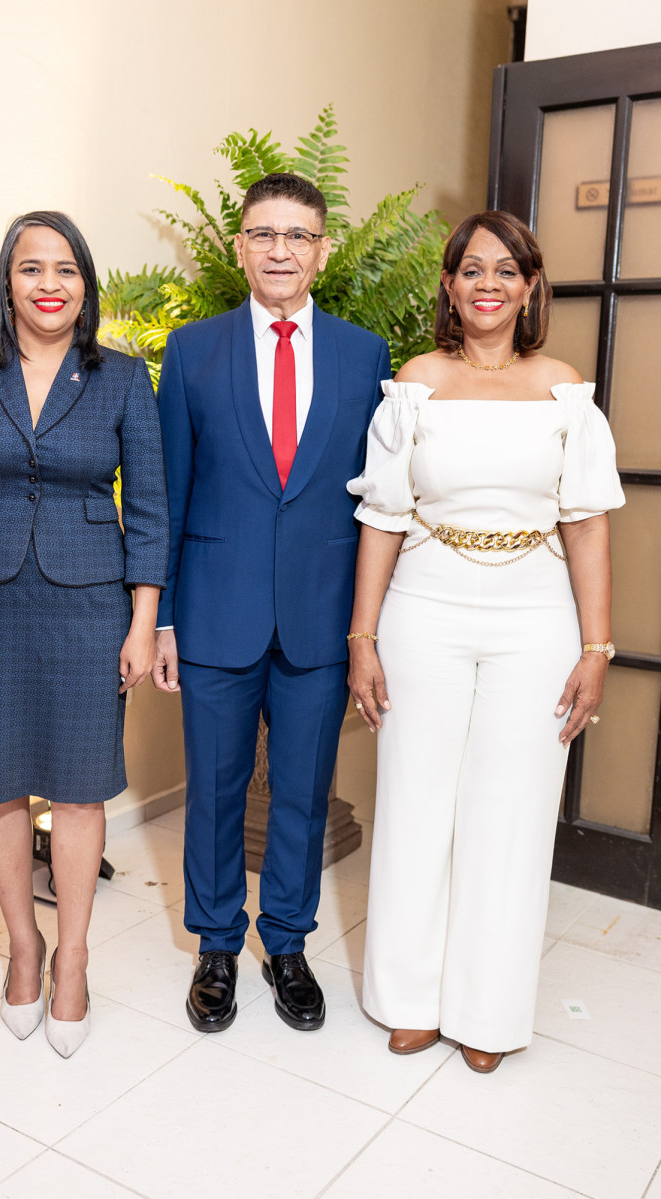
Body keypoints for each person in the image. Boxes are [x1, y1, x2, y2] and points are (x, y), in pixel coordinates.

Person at [347, 210, 625, 1073]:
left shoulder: (565, 391)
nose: (489, 284)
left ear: (531, 287)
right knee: (417, 795)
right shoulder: (416, 383)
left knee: (511, 807)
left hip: (534, 616)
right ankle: (408, 998)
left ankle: (488, 1010)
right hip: (423, 608)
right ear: (449, 285)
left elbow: (587, 528)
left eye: (507, 270)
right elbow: (382, 519)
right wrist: (364, 634)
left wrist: (597, 647)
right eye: (472, 269)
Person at [0, 211, 168, 1057]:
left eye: (66, 269)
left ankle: (76, 955)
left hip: (90, 601)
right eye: (31, 268)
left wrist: (143, 620)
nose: (49, 283)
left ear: (86, 285)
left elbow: (152, 510)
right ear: (7, 281)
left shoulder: (123, 379)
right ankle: (25, 945)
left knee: (82, 786)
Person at [152, 172, 391, 1033]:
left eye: (298, 236)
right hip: (215, 611)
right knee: (213, 790)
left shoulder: (367, 357)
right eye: (264, 235)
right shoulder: (192, 350)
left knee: (300, 789)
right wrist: (166, 617)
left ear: (321, 250)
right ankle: (216, 945)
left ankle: (286, 942)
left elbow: (380, 504)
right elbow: (166, 497)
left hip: (322, 616)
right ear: (241, 248)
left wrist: (370, 624)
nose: (281, 250)